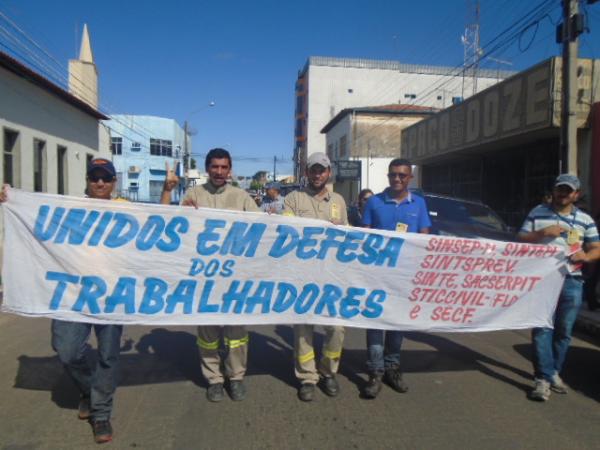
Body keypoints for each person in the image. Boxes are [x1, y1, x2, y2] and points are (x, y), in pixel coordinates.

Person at [1, 158, 124, 443]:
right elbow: (34, 219)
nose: (100, 183)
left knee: (108, 355)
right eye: (95, 178)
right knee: (66, 349)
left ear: (113, 182)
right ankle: (89, 390)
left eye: (105, 178)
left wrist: (171, 197)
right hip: (72, 294)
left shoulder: (126, 209)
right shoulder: (67, 210)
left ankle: (101, 413)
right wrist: (12, 201)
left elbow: (164, 224)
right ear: (87, 181)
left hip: (115, 296)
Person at [160, 148, 259, 402]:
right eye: (214, 167)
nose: (219, 172)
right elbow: (172, 226)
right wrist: (175, 199)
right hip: (204, 279)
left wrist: (270, 219)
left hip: (234, 279)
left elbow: (262, 230)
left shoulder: (242, 196)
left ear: (230, 170)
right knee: (207, 335)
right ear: (207, 168)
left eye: (224, 167)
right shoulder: (193, 195)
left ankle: (235, 377)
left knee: (237, 335)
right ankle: (214, 379)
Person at [518, 174, 600, 401]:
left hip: (572, 280)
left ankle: (553, 371)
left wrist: (586, 255)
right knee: (542, 327)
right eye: (559, 189)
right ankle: (542, 378)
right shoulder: (537, 212)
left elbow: (596, 248)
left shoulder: (585, 219)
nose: (563, 194)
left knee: (564, 330)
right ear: (554, 191)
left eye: (568, 190)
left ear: (576, 194)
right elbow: (521, 238)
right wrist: (542, 233)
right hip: (542, 279)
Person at [361, 158, 431, 399]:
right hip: (377, 276)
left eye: (402, 175)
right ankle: (375, 372)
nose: (397, 179)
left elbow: (424, 239)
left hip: (404, 277)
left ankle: (392, 368)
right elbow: (365, 238)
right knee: (375, 323)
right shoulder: (374, 202)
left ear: (410, 178)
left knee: (397, 324)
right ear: (388, 176)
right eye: (393, 175)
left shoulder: (419, 204)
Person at [283, 152, 348, 401]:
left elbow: (346, 236)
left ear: (328, 172)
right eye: (313, 169)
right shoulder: (293, 199)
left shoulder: (339, 201)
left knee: (337, 328)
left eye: (322, 170)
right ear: (306, 172)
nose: (318, 174)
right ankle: (307, 377)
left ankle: (328, 373)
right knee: (303, 329)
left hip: (331, 276)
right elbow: (285, 233)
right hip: (302, 276)